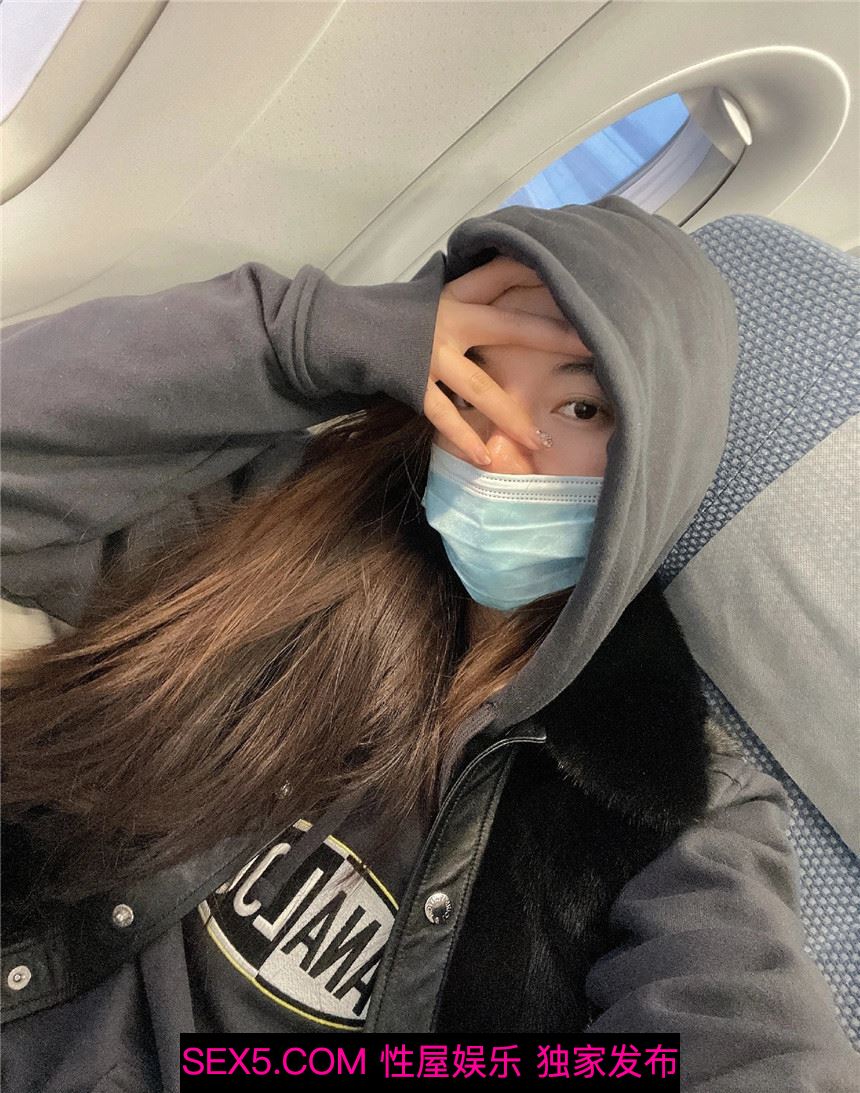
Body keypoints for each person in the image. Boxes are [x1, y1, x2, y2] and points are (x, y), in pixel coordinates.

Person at [1, 196, 856, 1091]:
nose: (498, 444)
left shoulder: (676, 794)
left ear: (658, 460)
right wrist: (310, 334)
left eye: (579, 403)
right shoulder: (275, 528)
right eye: (478, 378)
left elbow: (746, 1042)